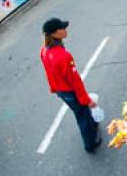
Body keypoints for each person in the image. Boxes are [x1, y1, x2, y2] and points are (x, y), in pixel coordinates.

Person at [40, 18, 102, 153]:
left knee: (82, 113)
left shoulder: (44, 50)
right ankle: (90, 144)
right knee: (83, 115)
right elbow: (75, 82)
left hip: (61, 91)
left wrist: (53, 88)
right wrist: (86, 100)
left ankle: (93, 125)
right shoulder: (63, 56)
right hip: (70, 92)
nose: (65, 30)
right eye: (62, 28)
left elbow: (48, 72)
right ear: (54, 34)